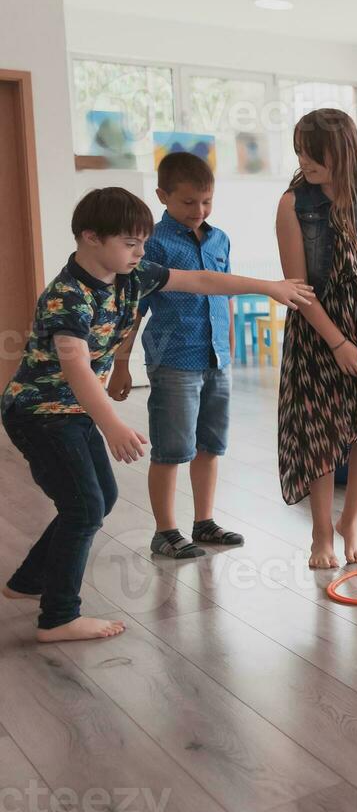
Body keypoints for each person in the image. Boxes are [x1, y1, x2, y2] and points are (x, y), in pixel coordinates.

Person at [3, 187, 311, 642]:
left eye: (143, 243)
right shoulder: (65, 297)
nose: (140, 252)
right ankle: (58, 617)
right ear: (90, 237)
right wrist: (113, 425)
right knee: (84, 507)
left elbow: (202, 281)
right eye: (130, 243)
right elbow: (76, 368)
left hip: (72, 412)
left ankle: (31, 580)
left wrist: (268, 287)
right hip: (39, 412)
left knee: (98, 501)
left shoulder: (133, 275)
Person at [274, 108, 357, 569]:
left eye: (314, 153)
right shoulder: (293, 203)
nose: (304, 161)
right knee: (320, 425)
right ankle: (320, 532)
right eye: (299, 152)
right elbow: (297, 287)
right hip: (318, 326)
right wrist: (337, 342)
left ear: (342, 151)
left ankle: (351, 521)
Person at [110, 152, 244, 559]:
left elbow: (224, 290)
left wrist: (230, 342)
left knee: (210, 445)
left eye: (206, 201)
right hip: (173, 361)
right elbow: (135, 309)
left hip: (217, 359)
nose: (198, 210)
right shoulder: (154, 245)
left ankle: (203, 522)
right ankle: (165, 531)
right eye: (188, 202)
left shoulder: (219, 239)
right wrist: (120, 366)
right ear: (162, 196)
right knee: (172, 449)